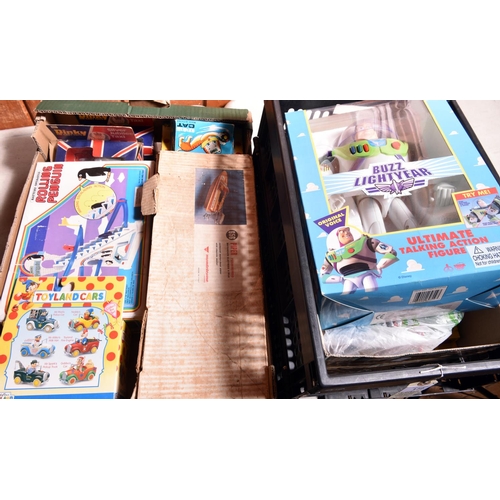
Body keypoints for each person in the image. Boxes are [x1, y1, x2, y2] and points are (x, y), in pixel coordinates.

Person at [322, 226, 398, 294]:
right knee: (347, 296)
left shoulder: (366, 242)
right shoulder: (331, 255)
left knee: (372, 292)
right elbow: (323, 276)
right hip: (348, 279)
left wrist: (380, 266)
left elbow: (391, 252)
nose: (347, 232)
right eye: (342, 231)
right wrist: (340, 279)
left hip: (367, 274)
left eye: (348, 230)